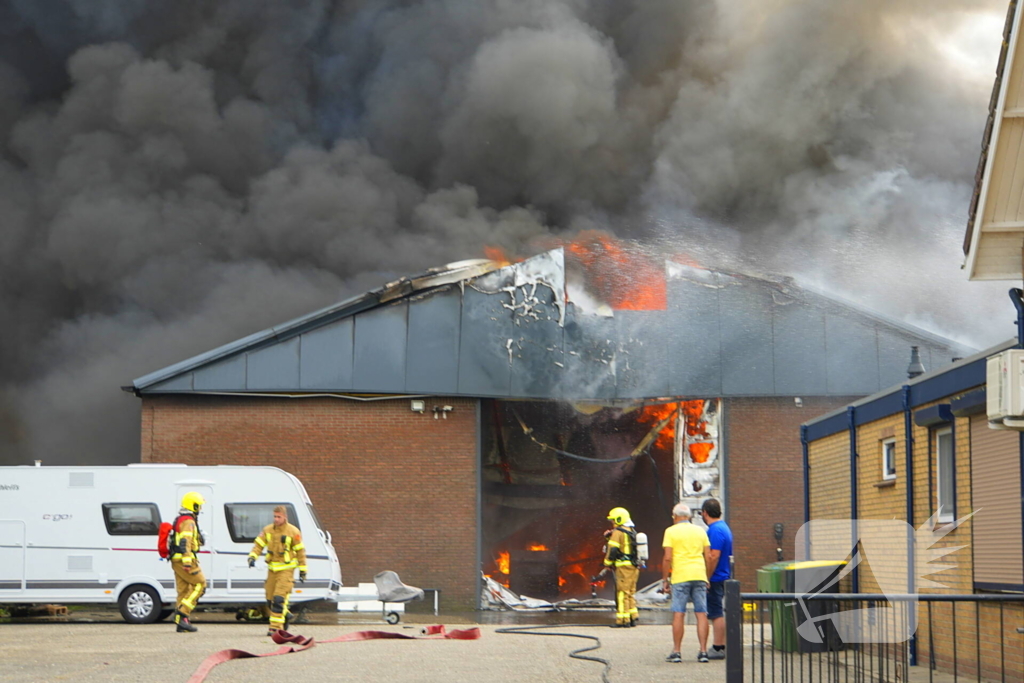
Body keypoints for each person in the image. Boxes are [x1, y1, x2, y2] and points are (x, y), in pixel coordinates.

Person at [662, 502, 714, 663]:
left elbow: (668, 557)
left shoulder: (670, 531)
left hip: (680, 577)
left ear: (675, 516)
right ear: (689, 517)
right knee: (701, 613)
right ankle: (703, 652)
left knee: (679, 613)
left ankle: (677, 652)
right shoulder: (700, 531)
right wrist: (706, 577)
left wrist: (665, 580)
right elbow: (709, 557)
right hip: (699, 575)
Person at [248, 505, 308, 636]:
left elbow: (300, 552)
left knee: (278, 600)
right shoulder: (268, 530)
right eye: (274, 516)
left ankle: (275, 628)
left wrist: (303, 569)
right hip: (272, 570)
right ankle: (286, 615)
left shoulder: (293, 531)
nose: (276, 519)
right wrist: (252, 557)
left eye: (278, 517)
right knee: (269, 601)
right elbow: (258, 545)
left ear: (285, 517)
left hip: (286, 570)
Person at [701, 498, 733, 660]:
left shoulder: (715, 530)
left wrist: (706, 577)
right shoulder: (724, 527)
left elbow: (713, 556)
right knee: (717, 611)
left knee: (715, 613)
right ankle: (721, 645)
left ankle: (718, 646)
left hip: (716, 576)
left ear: (705, 513)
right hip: (723, 574)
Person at [171, 491, 207, 633]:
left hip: (176, 559)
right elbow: (185, 541)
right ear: (194, 506)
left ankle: (182, 623)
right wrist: (187, 561)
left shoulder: (181, 518)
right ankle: (183, 612)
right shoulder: (188, 521)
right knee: (200, 584)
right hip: (184, 559)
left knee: (184, 590)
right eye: (199, 506)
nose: (200, 509)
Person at [601, 507, 640, 627]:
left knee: (622, 593)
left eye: (613, 520)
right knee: (630, 592)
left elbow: (613, 550)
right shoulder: (632, 531)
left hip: (623, 568)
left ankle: (622, 620)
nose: (612, 523)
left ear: (619, 519)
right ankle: (633, 617)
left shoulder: (618, 532)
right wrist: (609, 537)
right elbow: (625, 546)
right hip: (634, 567)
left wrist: (607, 564)